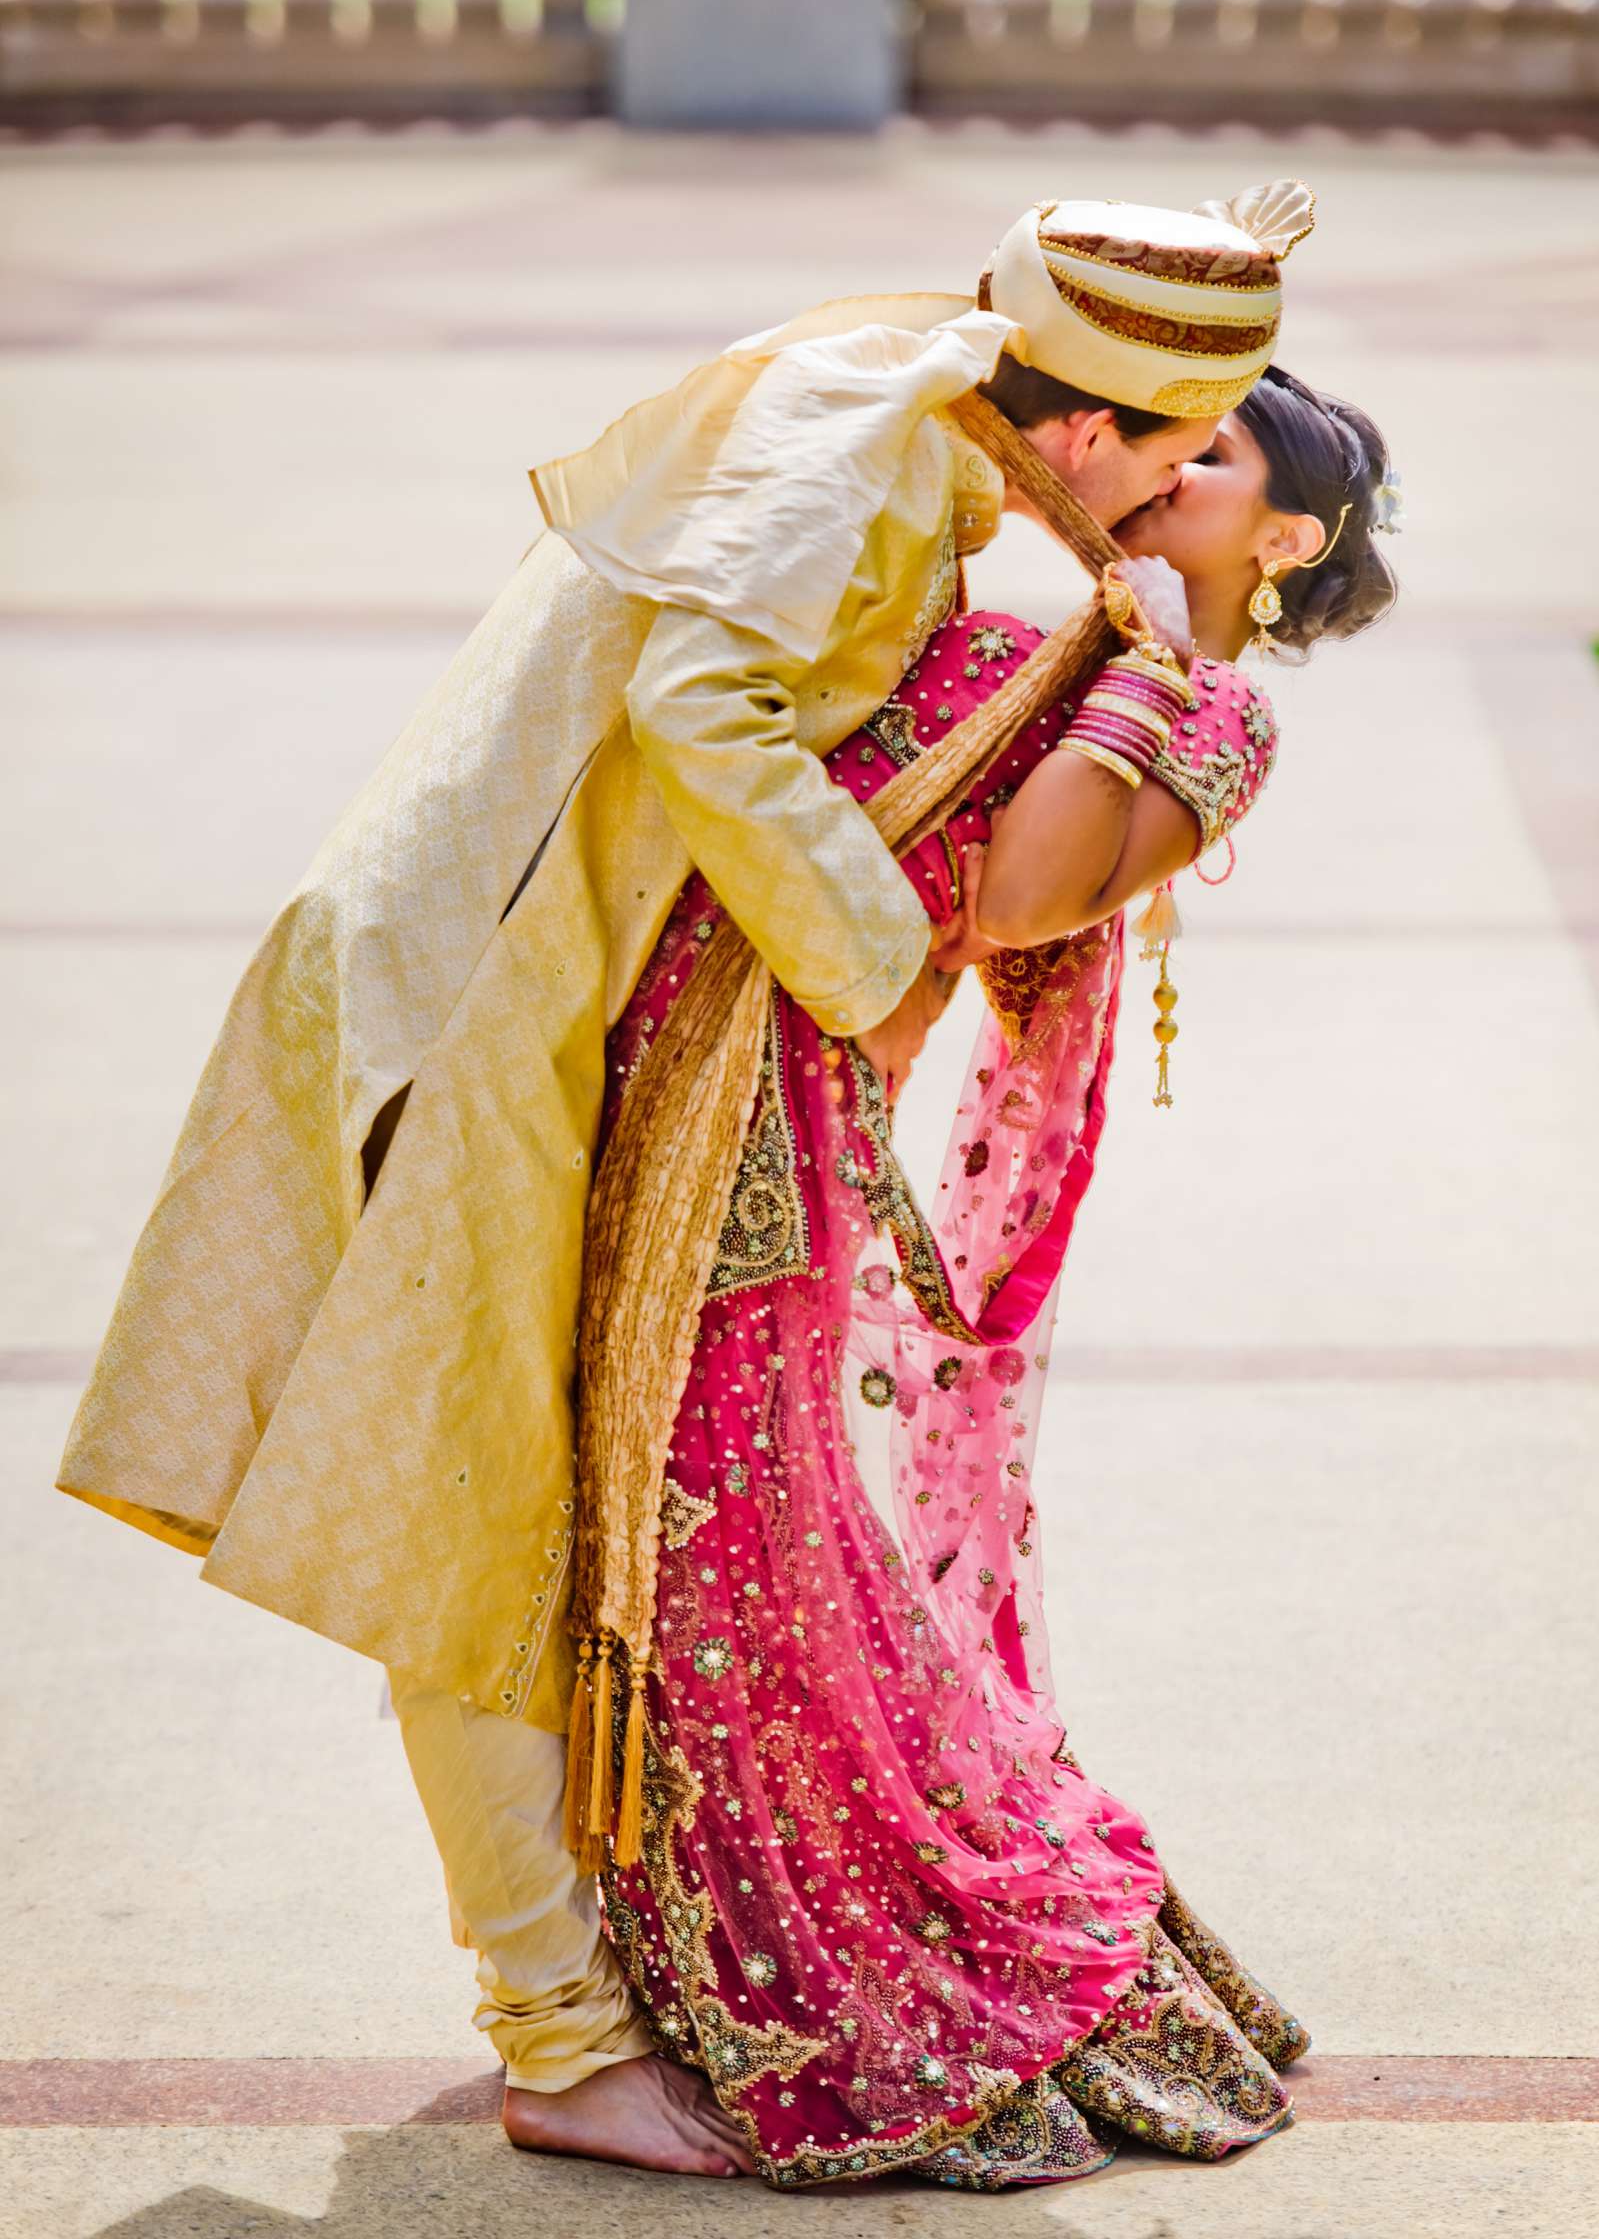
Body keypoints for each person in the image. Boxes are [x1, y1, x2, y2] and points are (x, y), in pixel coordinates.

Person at [56, 184, 1316, 2177]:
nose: (1163, 492)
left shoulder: (929, 406)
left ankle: (574, 2005)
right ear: (1083, 428)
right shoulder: (873, 453)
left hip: (574, 995)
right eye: (1169, 448)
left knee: (495, 1509)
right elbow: (700, 707)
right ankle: (558, 2041)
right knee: (463, 1519)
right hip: (474, 997)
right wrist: (877, 966)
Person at [579, 363, 1398, 2186]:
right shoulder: (1019, 586)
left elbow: (1022, 895)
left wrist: (1136, 666)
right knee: (660, 1528)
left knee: (737, 1546)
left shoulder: (1204, 710)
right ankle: (617, 1984)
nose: (1174, 458)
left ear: (1285, 538)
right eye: (1173, 428)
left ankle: (810, 1966)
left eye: (1222, 452)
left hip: (798, 1108)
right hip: (683, 1018)